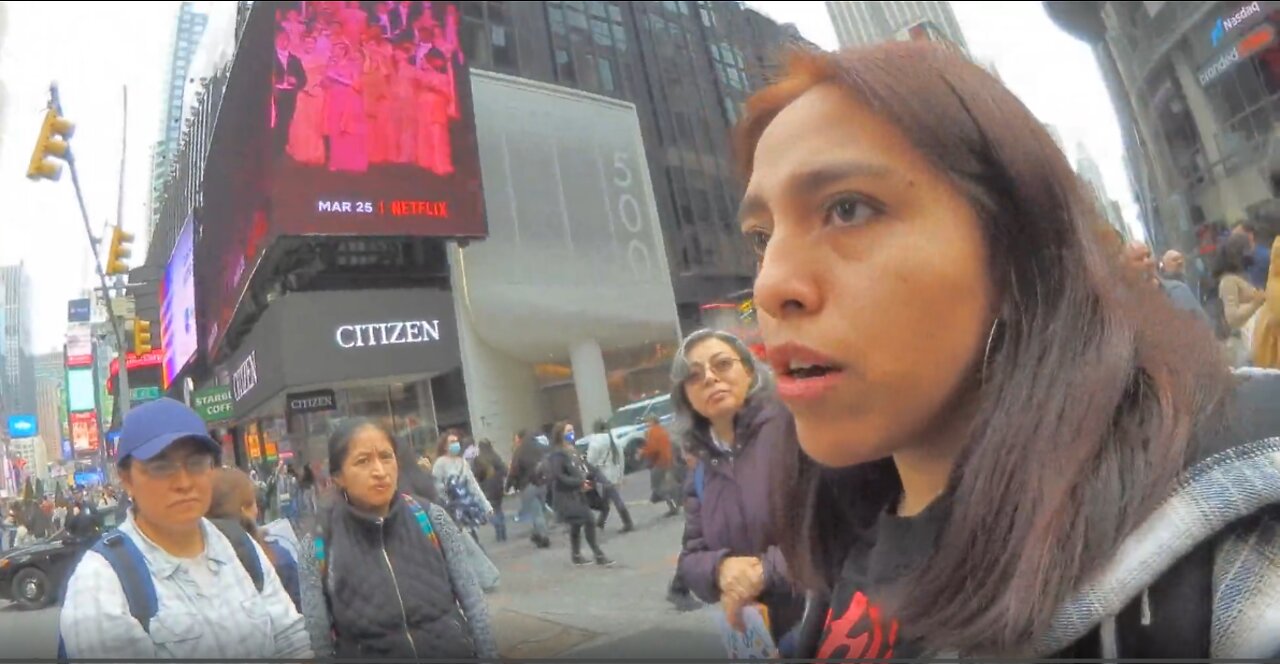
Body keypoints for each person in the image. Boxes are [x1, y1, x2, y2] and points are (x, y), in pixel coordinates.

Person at [737, 43, 1280, 659]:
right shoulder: (839, 535)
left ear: (1015, 248)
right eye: (762, 237)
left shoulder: (1237, 538)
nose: (770, 285)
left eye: (847, 209)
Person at [59, 398, 312, 659]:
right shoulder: (101, 580)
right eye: (160, 467)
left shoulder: (240, 547)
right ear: (126, 479)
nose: (183, 482)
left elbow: (292, 642)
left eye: (196, 464)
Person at [306, 418, 497, 659]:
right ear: (338, 476)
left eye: (386, 457)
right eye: (363, 461)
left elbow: (474, 604)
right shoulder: (319, 545)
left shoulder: (430, 518)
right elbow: (318, 641)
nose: (380, 471)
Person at [672, 329, 804, 644]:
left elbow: (838, 526)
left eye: (722, 364)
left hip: (824, 624)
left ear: (748, 369)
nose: (709, 378)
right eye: (694, 376)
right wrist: (720, 569)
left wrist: (765, 571)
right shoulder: (701, 470)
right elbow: (690, 558)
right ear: (686, 396)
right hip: (757, 639)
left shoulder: (795, 430)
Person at [545, 422, 614, 566]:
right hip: (566, 497)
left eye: (572, 430)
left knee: (576, 524)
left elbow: (583, 468)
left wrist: (591, 477)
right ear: (560, 434)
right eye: (568, 431)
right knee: (588, 519)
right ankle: (598, 555)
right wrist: (579, 482)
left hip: (578, 494)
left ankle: (576, 555)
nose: (572, 433)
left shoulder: (573, 450)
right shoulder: (557, 454)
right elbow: (559, 476)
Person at [1216, 233, 1266, 367]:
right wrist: (1256, 303)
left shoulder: (1242, 276)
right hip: (1248, 338)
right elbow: (1232, 318)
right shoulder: (1228, 281)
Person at [432, 432, 493, 541]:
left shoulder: (462, 462)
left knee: (473, 539)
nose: (455, 444)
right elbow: (437, 488)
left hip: (467, 509)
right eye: (452, 442)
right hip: (451, 510)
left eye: (456, 441)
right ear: (445, 446)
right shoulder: (440, 464)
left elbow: (473, 485)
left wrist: (486, 505)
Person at [584, 419, 634, 533]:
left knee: (615, 499)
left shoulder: (596, 441)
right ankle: (601, 522)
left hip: (603, 474)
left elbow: (590, 460)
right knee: (607, 498)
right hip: (614, 473)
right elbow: (621, 460)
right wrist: (620, 475)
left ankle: (628, 522)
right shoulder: (614, 440)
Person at [506, 429, 552, 549]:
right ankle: (537, 534)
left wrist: (508, 486)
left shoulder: (520, 451)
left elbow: (514, 470)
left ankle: (543, 537)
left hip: (527, 485)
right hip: (542, 483)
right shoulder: (540, 447)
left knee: (536, 513)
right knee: (541, 509)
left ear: (520, 438)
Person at [639, 416, 679, 515]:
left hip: (659, 461)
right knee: (665, 484)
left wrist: (642, 452)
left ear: (652, 421)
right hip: (668, 459)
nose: (646, 423)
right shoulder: (662, 430)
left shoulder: (652, 432)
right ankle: (674, 504)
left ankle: (673, 506)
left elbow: (653, 448)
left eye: (647, 421)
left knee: (656, 486)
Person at [473, 440, 509, 543]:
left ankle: (498, 528)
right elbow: (505, 470)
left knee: (491, 510)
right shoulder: (495, 456)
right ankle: (502, 533)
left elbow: (476, 474)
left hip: (486, 488)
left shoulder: (478, 460)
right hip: (498, 487)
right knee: (498, 508)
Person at [1232, 222, 1273, 289]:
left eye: (1238, 235)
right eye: (1233, 237)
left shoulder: (1267, 256)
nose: (1234, 240)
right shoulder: (1233, 260)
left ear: (1250, 235)